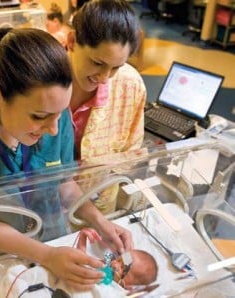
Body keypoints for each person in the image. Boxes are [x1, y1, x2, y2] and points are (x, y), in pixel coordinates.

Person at [0, 27, 134, 291]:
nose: (54, 129)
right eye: (39, 117)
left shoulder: (55, 113)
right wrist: (45, 256)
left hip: (53, 240)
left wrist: (100, 221)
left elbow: (63, 183)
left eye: (60, 114)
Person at [67, 0, 147, 214]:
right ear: (72, 41)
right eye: (97, 63)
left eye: (115, 68)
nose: (104, 78)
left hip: (99, 201)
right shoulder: (41, 80)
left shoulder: (130, 86)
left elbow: (130, 152)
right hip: (44, 202)